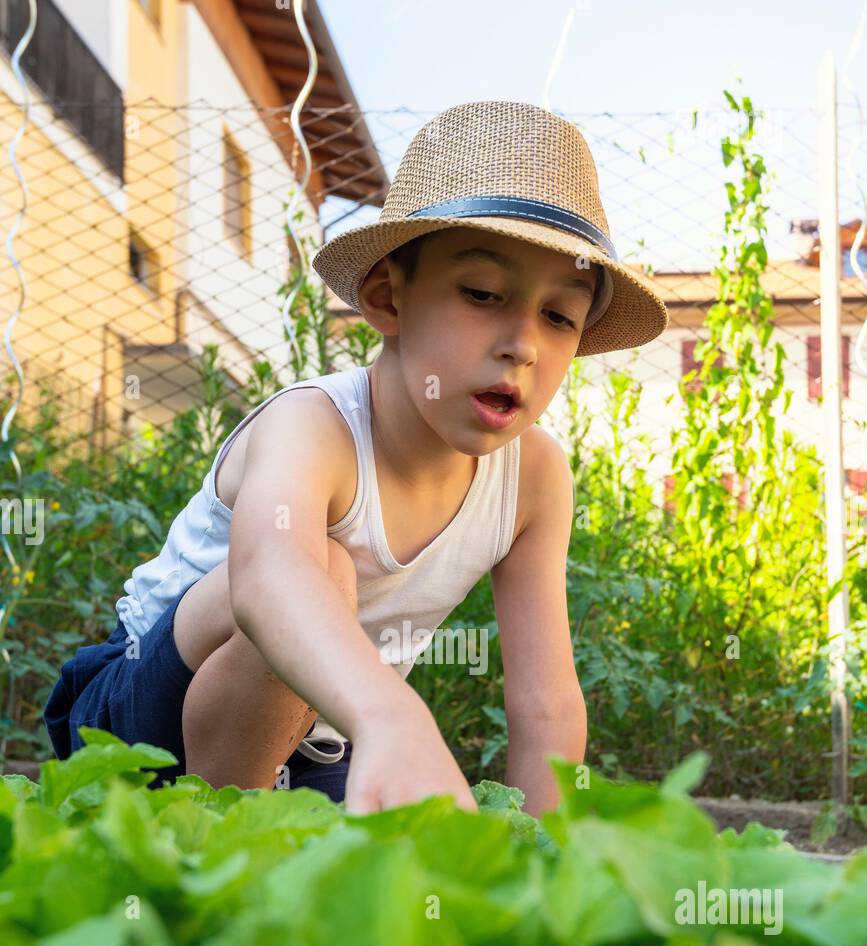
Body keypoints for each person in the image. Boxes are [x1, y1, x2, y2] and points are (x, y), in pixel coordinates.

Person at [42, 99, 668, 816]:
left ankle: (259, 831)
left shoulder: (532, 478)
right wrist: (391, 717)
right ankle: (216, 850)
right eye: (483, 294)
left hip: (310, 742)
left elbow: (545, 699)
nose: (522, 343)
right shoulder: (313, 426)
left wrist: (543, 859)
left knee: (428, 850)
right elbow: (266, 579)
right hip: (134, 718)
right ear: (385, 298)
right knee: (323, 570)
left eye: (559, 315)